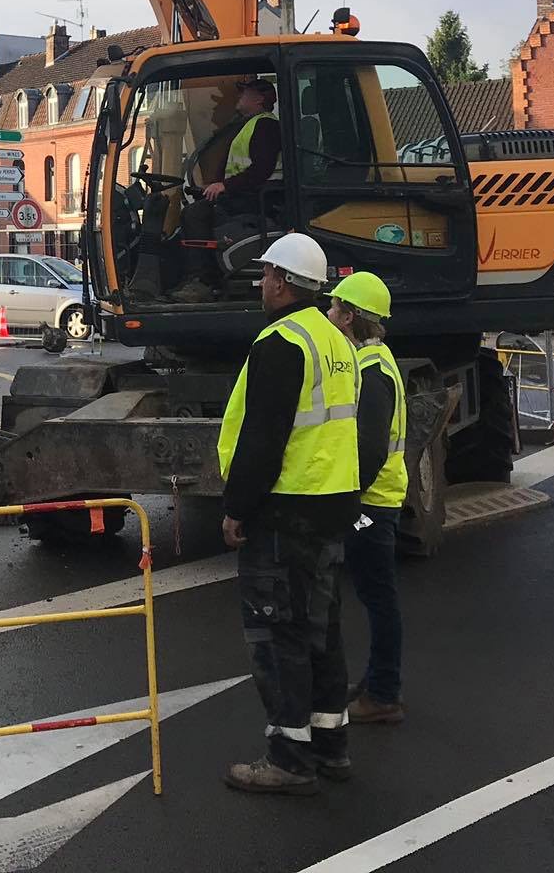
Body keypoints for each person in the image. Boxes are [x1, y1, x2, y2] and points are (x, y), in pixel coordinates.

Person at [217, 232, 364, 796]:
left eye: (266, 275)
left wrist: (236, 509)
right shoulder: (336, 340)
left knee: (279, 638)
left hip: (286, 513)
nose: (261, 283)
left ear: (282, 281)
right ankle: (330, 749)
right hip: (331, 506)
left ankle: (288, 759)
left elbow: (263, 438)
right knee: (321, 632)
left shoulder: (281, 342)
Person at [329, 271, 406, 726]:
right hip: (376, 500)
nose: (331, 314)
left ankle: (383, 693)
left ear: (353, 316)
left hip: (372, 504)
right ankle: (379, 682)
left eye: (338, 308)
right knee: (376, 596)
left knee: (379, 599)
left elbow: (372, 447)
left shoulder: (372, 370)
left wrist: (347, 499)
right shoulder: (373, 361)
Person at [170, 77, 282, 302]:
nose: (238, 97)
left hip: (256, 200)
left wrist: (225, 186)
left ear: (259, 99)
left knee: (195, 215)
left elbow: (261, 170)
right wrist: (214, 186)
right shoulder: (251, 125)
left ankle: (203, 280)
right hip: (245, 195)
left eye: (244, 93)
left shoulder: (265, 125)